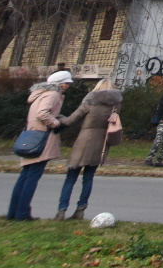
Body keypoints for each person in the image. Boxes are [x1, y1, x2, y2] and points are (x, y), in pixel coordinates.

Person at [52, 78, 122, 221]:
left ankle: (61, 210)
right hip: (102, 142)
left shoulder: (89, 101)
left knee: (71, 178)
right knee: (88, 178)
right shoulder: (116, 105)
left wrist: (57, 117)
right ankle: (80, 210)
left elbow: (71, 120)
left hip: (85, 140)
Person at [7, 70, 72, 221]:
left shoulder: (40, 93)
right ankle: (22, 214)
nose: (67, 86)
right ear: (58, 83)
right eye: (66, 83)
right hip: (42, 137)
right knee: (32, 177)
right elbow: (43, 113)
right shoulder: (53, 94)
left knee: (25, 176)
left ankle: (14, 212)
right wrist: (56, 123)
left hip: (31, 134)